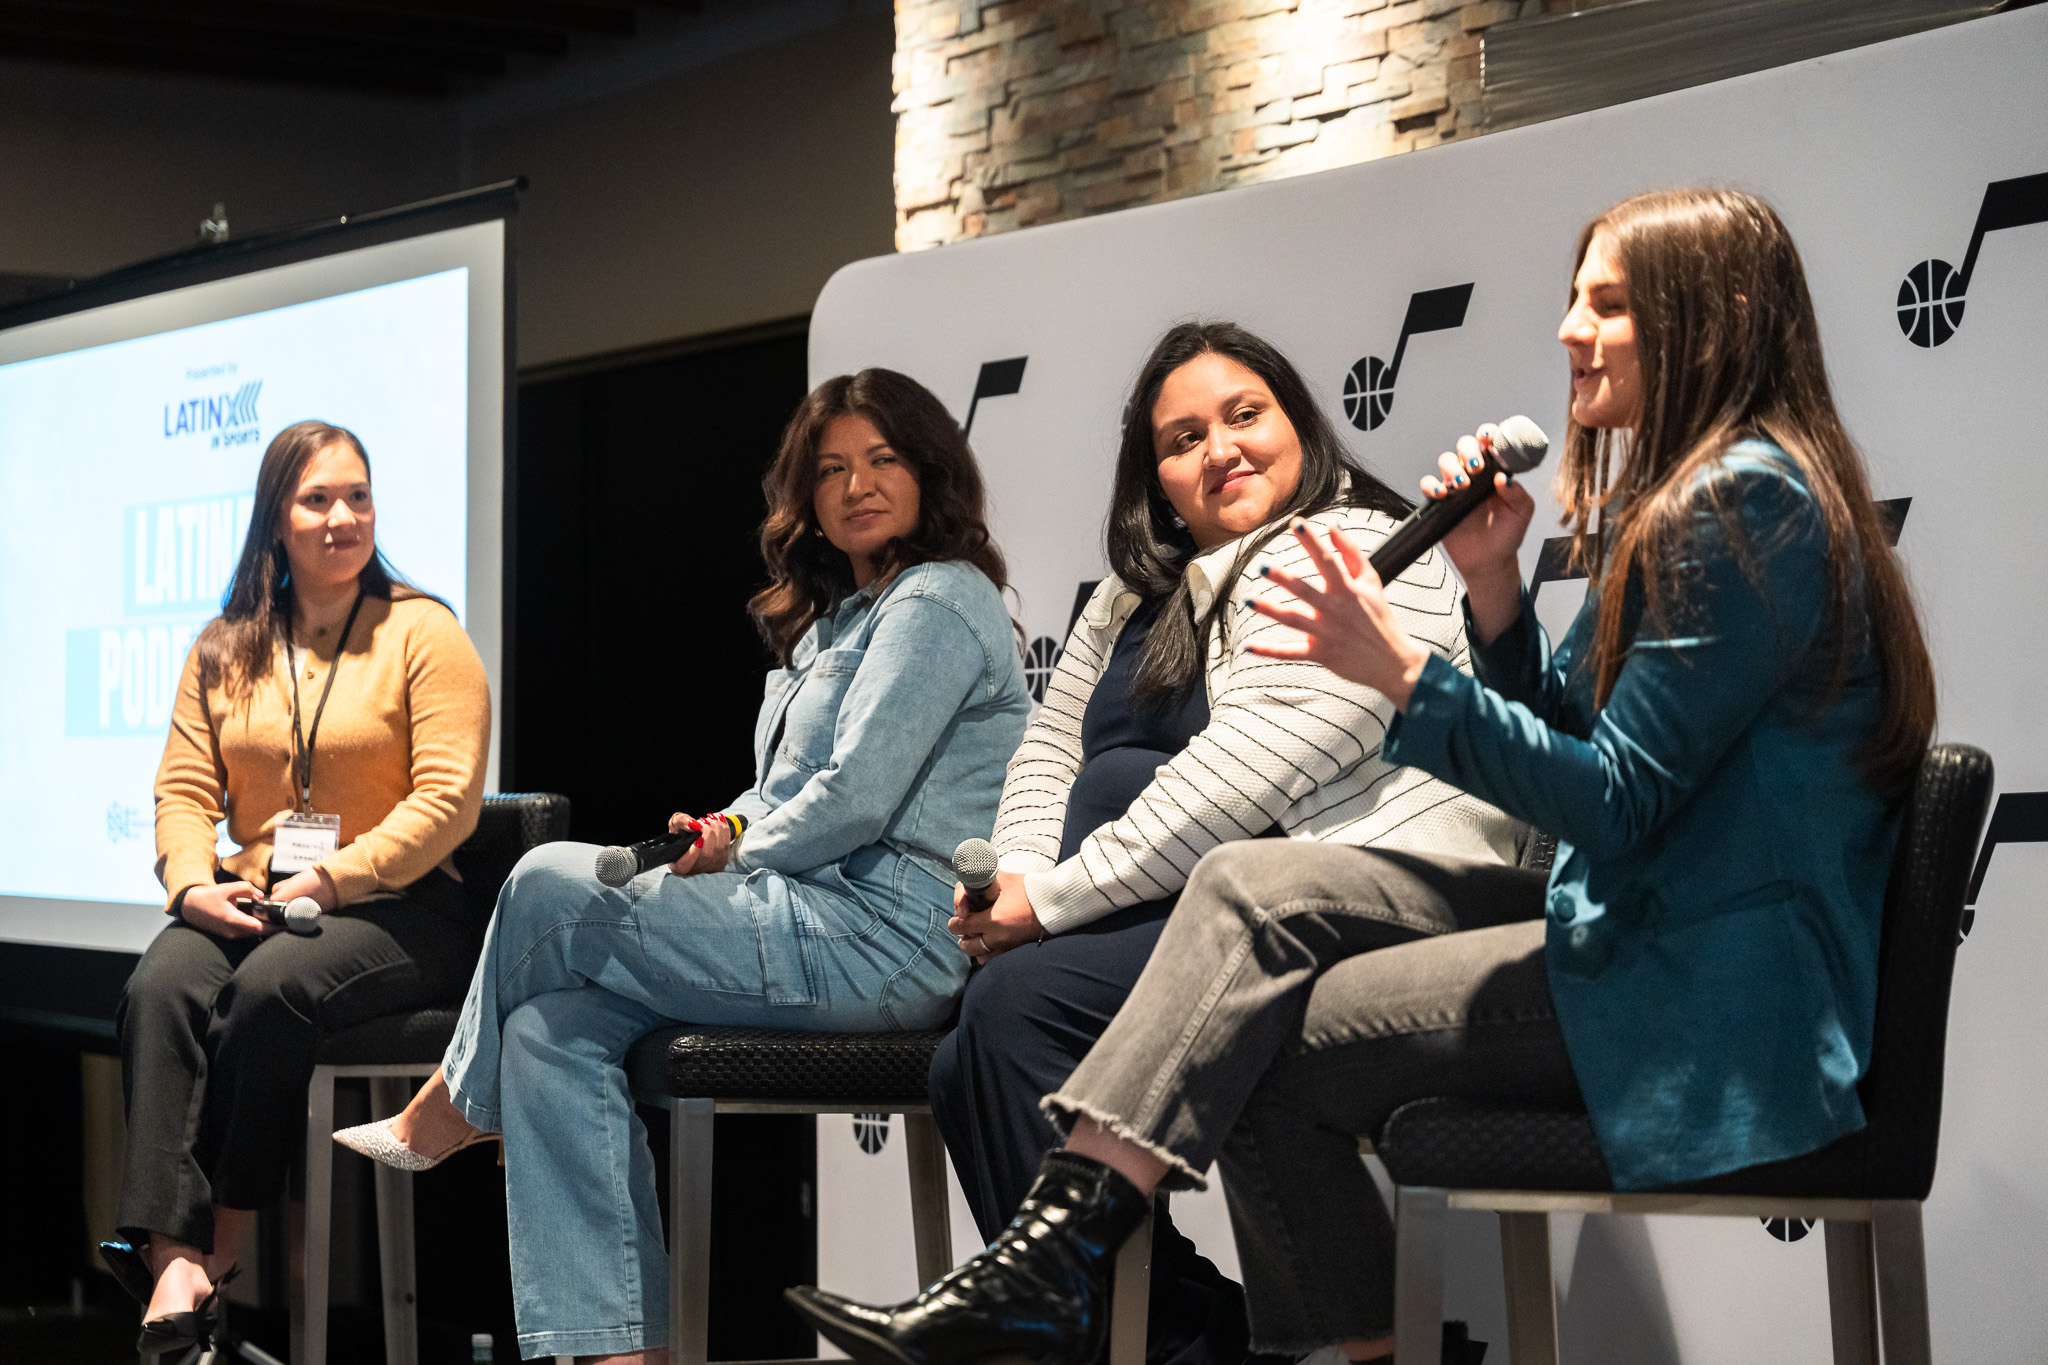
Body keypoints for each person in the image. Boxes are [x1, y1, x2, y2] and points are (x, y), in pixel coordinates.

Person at [786, 187, 1938, 1365]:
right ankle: (1184, 1306)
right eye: (1570, 301)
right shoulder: (1697, 497)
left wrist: (1400, 671)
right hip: (1633, 936)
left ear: (1720, 317)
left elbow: (1612, 806)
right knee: (1242, 1010)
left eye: (1603, 304)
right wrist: (1494, 593)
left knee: (1242, 913)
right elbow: (1590, 759)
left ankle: (1053, 1268)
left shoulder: (1737, 501)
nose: (1566, 333)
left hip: (1698, 984)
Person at [340, 368, 1032, 1364]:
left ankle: (454, 1105)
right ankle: (620, 1352)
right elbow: (785, 795)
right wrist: (720, 833)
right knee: (546, 1028)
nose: (854, 485)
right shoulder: (836, 621)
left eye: (881, 460)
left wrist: (744, 846)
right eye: (830, 468)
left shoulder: (938, 598)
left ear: (931, 472)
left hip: (886, 938)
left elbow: (854, 801)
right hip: (798, 915)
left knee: (543, 882)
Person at [928, 321, 1521, 1365]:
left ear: (1298, 425)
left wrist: (1052, 902)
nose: (1219, 449)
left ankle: (1146, 1335)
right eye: (1182, 437)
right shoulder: (1128, 601)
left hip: (1331, 897)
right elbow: (1046, 753)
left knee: (1013, 1014)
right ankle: (1186, 1334)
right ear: (1154, 480)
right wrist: (1016, 875)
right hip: (1181, 899)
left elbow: (1252, 769)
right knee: (961, 1058)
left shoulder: (1357, 545)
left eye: (1244, 416)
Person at [106, 421, 491, 1356]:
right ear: (277, 518)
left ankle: (220, 1241)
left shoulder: (422, 630)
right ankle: (171, 1256)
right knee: (158, 986)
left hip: (405, 906)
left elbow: (448, 800)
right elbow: (185, 791)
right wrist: (192, 886)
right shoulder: (226, 645)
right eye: (317, 498)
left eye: (357, 496)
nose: (341, 516)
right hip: (261, 895)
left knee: (272, 984)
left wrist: (334, 873)